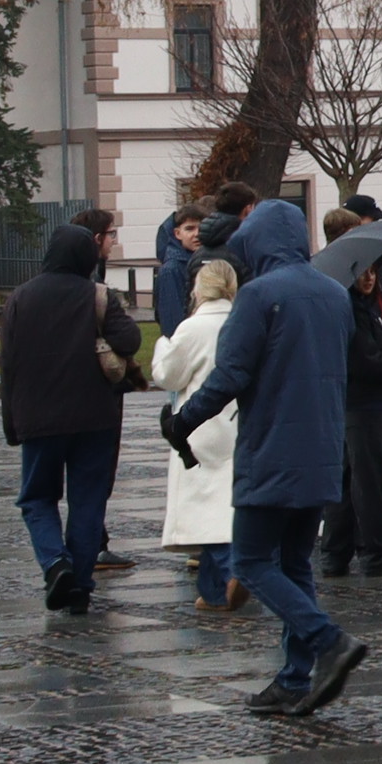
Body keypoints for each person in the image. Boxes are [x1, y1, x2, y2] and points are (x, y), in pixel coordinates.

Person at [154, 200, 371, 717]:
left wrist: (183, 421)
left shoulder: (258, 295)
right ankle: (294, 678)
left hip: (272, 447)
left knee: (251, 561)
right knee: (295, 563)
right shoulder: (333, 293)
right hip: (322, 447)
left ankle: (328, 641)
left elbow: (230, 375)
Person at [0, 220, 140, 614]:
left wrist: (12, 423)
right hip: (95, 416)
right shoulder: (97, 295)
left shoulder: (21, 298)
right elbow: (130, 340)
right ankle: (80, 581)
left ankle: (55, 562)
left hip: (38, 417)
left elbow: (8, 366)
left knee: (37, 498)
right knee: (88, 501)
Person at [150, 255, 244, 610]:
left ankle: (232, 571)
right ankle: (213, 591)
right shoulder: (242, 322)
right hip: (237, 421)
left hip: (198, 425)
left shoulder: (193, 327)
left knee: (205, 508)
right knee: (223, 505)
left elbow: (168, 375)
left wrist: (162, 345)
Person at [324, 216, 382, 576]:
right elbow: (369, 360)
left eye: (373, 271)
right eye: (363, 272)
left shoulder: (360, 308)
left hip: (354, 403)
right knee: (369, 481)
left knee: (348, 481)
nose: (370, 277)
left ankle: (337, 553)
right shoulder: (351, 311)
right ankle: (374, 553)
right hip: (362, 404)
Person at [152, 206, 205, 337]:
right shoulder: (171, 270)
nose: (197, 234)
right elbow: (172, 323)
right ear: (177, 233)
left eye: (201, 228)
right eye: (189, 229)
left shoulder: (203, 261)